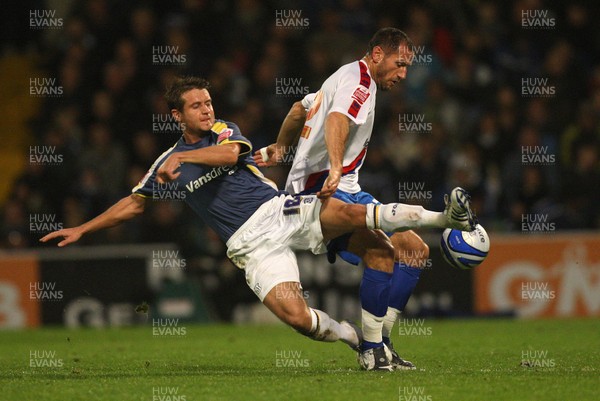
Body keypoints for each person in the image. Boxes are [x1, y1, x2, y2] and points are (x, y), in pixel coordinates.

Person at [41, 76, 475, 371]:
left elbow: (232, 156)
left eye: (208, 101)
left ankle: (441, 217)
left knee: (345, 213)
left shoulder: (224, 133)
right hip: (249, 247)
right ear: (176, 116)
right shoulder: (164, 164)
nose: (206, 109)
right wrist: (83, 229)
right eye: (196, 106)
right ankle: (356, 341)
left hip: (278, 211)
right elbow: (134, 205)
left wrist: (184, 158)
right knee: (297, 318)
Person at [254, 28, 476, 370]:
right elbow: (336, 119)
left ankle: (380, 344)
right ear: (376, 55)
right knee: (381, 252)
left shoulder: (345, 78)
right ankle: (372, 351)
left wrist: (280, 148)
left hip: (346, 186)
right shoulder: (358, 83)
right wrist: (334, 171)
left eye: (407, 67)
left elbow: (300, 109)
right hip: (320, 190)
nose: (403, 74)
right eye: (399, 64)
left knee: (415, 250)